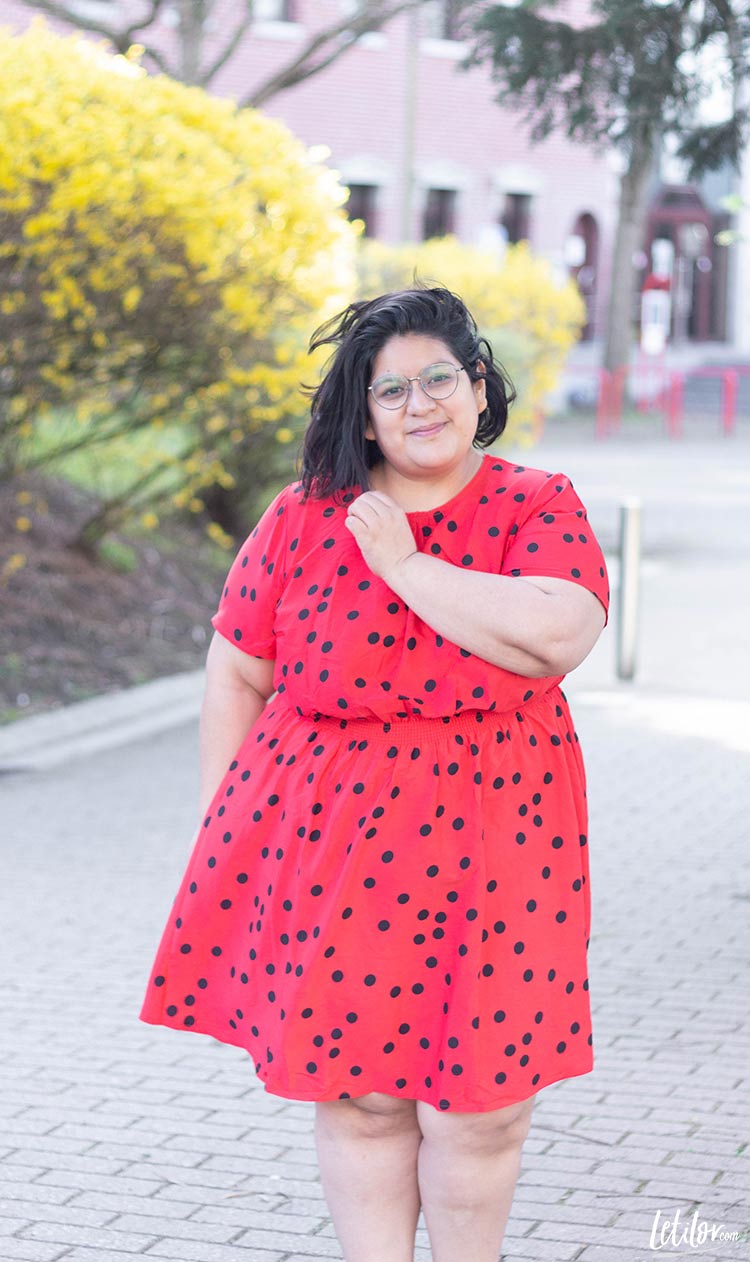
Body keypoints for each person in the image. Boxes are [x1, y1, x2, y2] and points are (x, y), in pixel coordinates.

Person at [139, 286, 609, 1262]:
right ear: (360, 413)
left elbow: (561, 631)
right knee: (362, 1099)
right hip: (331, 845)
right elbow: (236, 669)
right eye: (388, 390)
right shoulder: (305, 517)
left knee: (480, 1110)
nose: (418, 403)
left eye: (439, 377)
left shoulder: (536, 504)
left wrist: (404, 566)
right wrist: (218, 825)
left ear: (478, 387)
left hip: (499, 847)